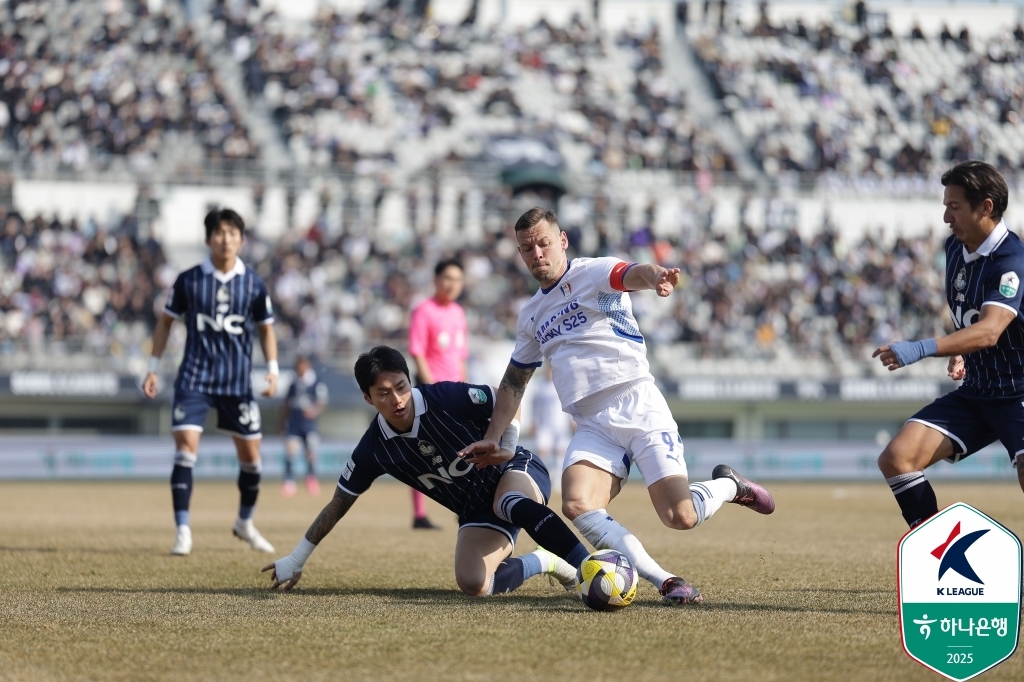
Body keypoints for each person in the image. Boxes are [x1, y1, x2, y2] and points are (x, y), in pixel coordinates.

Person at [459, 208, 775, 605]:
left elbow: (631, 273)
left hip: (638, 404)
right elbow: (514, 381)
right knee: (575, 503)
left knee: (680, 516)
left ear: (562, 241)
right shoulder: (530, 316)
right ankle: (666, 581)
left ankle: (730, 485)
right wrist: (494, 437)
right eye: (527, 248)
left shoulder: (592, 272)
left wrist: (655, 276)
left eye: (543, 243)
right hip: (591, 423)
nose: (536, 253)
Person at [262, 346, 591, 597]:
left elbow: (508, 397)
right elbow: (338, 504)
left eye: (401, 387)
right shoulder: (373, 449)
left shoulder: (445, 397)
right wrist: (296, 558)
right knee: (475, 584)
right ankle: (545, 561)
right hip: (475, 508)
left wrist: (505, 442)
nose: (397, 399)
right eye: (384, 393)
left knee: (509, 501)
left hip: (517, 469)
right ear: (367, 398)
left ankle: (589, 567)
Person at [873, 160, 1024, 528]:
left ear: (986, 207)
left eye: (954, 206)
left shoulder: (1012, 260)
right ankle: (939, 560)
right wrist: (959, 348)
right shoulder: (956, 248)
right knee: (897, 458)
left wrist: (922, 348)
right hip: (977, 392)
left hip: (1020, 391)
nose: (945, 217)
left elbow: (989, 330)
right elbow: (967, 312)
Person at [143, 208, 278, 556]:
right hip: (194, 380)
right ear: (208, 239)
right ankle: (183, 531)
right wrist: (153, 367)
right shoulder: (188, 280)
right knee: (185, 450)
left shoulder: (253, 283)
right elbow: (166, 322)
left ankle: (244, 522)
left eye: (233, 233)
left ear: (242, 240)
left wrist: (273, 368)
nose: (226, 239)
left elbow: (266, 329)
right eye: (219, 233)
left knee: (252, 461)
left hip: (237, 384)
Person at [406, 259, 469, 530]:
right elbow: (417, 351)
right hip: (432, 392)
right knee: (425, 453)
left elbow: (461, 356)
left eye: (457, 279)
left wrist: (464, 389)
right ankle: (420, 515)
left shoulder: (458, 313)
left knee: (462, 453)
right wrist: (431, 390)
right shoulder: (424, 311)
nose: (452, 284)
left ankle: (464, 507)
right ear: (436, 280)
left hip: (456, 394)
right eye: (447, 278)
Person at [281, 357, 329, 497]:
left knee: (311, 453)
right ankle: (288, 481)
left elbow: (322, 402)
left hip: (309, 424)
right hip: (294, 423)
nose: (299, 370)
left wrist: (314, 410)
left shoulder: (316, 382)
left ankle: (311, 479)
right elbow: (286, 405)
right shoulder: (293, 384)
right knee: (290, 451)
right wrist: (282, 423)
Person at [530, 363, 573, 494]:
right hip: (545, 425)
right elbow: (535, 406)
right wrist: (534, 421)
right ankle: (543, 479)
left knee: (561, 453)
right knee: (542, 452)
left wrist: (572, 420)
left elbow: (571, 405)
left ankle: (558, 482)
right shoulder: (540, 386)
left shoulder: (563, 387)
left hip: (560, 425)